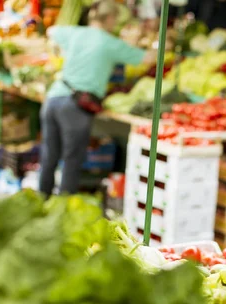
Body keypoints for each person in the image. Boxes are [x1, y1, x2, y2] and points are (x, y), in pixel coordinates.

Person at [40, 0, 154, 196]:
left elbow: (51, 32)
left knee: (49, 156)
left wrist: (65, 50)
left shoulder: (76, 32)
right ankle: (61, 208)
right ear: (110, 18)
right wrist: (159, 44)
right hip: (75, 107)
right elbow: (147, 59)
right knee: (72, 160)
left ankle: (41, 202)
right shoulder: (110, 43)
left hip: (53, 98)